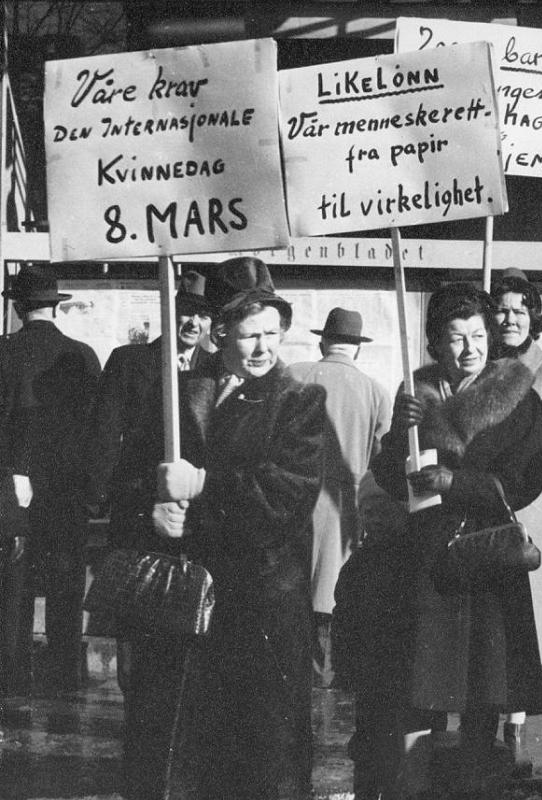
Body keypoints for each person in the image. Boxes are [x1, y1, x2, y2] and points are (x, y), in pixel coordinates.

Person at [346, 282, 542, 800]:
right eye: (456, 338)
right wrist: (401, 443)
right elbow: (391, 476)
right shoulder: (416, 393)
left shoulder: (518, 397)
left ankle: (477, 783)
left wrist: (458, 483)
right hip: (427, 558)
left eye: (478, 336)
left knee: (485, 686)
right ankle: (413, 787)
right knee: (421, 683)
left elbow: (528, 477)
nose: (469, 349)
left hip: (486, 555)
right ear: (437, 342)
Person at [151, 256, 326, 800]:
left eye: (272, 333)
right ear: (218, 331)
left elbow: (285, 494)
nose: (263, 348)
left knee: (264, 754)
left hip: (264, 604)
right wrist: (154, 511)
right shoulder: (180, 393)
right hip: (194, 603)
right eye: (250, 334)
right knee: (197, 756)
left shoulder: (297, 400)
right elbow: (145, 474)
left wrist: (201, 486)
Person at [83, 271, 215, 797]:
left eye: (201, 315)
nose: (192, 322)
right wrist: (129, 506)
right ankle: (141, 749)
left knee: (192, 644)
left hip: (197, 526)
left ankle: (181, 752)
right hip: (140, 523)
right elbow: (103, 443)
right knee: (137, 645)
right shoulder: (131, 361)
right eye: (182, 312)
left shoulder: (214, 370)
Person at [488, 268, 542, 771]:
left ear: (535, 318)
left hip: (528, 497)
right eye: (501, 309)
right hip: (481, 501)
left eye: (520, 310)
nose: (509, 319)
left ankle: (516, 710)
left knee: (522, 610)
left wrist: (516, 465)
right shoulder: (477, 360)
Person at [0, 264, 101, 694]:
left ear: (19, 306)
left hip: (11, 488)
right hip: (67, 491)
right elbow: (98, 428)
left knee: (13, 587)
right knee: (65, 583)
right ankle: (63, 675)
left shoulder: (3, 351)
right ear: (54, 306)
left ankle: (11, 674)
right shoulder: (83, 356)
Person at [288, 307, 391, 687]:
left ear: (322, 342)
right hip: (345, 508)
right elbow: (383, 463)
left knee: (293, 592)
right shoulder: (377, 393)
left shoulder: (294, 376)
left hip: (294, 502)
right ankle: (325, 675)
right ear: (358, 349)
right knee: (331, 598)